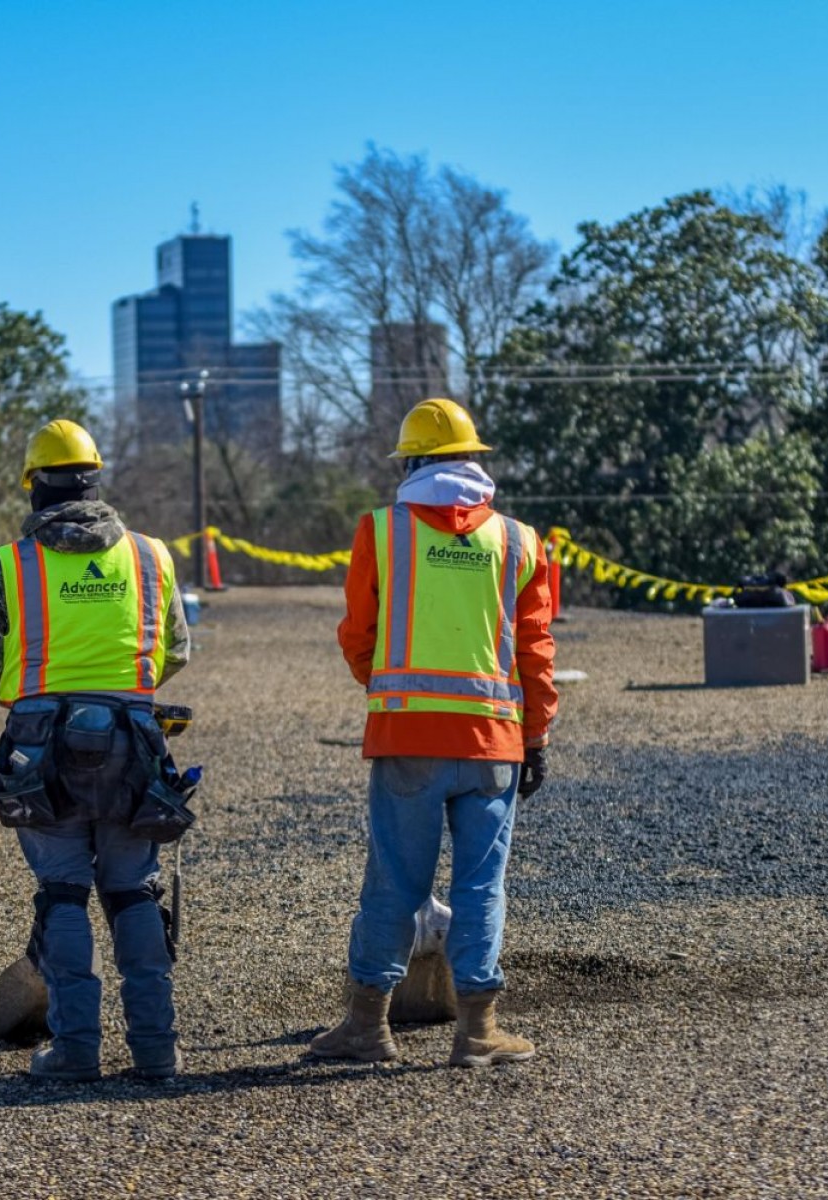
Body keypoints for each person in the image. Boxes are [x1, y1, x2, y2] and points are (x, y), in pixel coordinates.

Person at [313, 397, 557, 1068]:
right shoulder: (517, 540)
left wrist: (390, 691)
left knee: (394, 881)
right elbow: (535, 650)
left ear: (412, 461)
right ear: (475, 460)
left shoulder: (381, 531)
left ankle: (367, 1027)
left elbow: (357, 634)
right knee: (482, 885)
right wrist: (535, 735)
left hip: (408, 739)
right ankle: (477, 1032)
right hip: (494, 743)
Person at [0, 419, 192, 1082]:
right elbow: (174, 650)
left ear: (34, 487)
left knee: (62, 891)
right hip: (132, 744)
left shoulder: (11, 562)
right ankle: (154, 1050)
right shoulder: (151, 557)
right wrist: (119, 696)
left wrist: (33, 701)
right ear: (94, 479)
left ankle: (76, 1049)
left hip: (41, 750)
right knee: (132, 890)